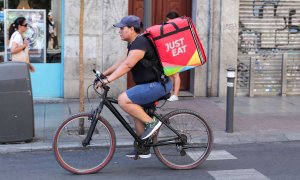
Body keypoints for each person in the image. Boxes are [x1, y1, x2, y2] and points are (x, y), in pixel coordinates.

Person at [99, 15, 172, 158]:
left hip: (157, 85)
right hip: (150, 85)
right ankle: (143, 147)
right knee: (134, 110)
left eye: (122, 28)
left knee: (123, 100)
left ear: (132, 29)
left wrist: (107, 81)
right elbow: (123, 61)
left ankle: (152, 123)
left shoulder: (141, 43)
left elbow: (128, 65)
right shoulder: (134, 43)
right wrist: (103, 74)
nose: (119, 31)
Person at [166, 11, 181, 101]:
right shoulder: (172, 28)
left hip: (176, 53)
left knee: (175, 75)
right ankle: (171, 94)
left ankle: (175, 95)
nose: (167, 22)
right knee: (170, 75)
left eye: (168, 20)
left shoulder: (177, 27)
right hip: (171, 53)